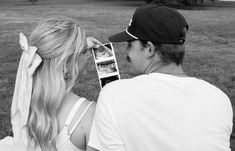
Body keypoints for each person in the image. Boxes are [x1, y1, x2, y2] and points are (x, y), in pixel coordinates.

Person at [88, 4, 233, 151]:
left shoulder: (113, 95)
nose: (127, 52)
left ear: (149, 49)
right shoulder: (219, 99)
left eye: (130, 45)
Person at [0, 17, 101, 151]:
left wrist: (81, 44)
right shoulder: (88, 115)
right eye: (84, 51)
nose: (88, 55)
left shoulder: (26, 96)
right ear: (65, 66)